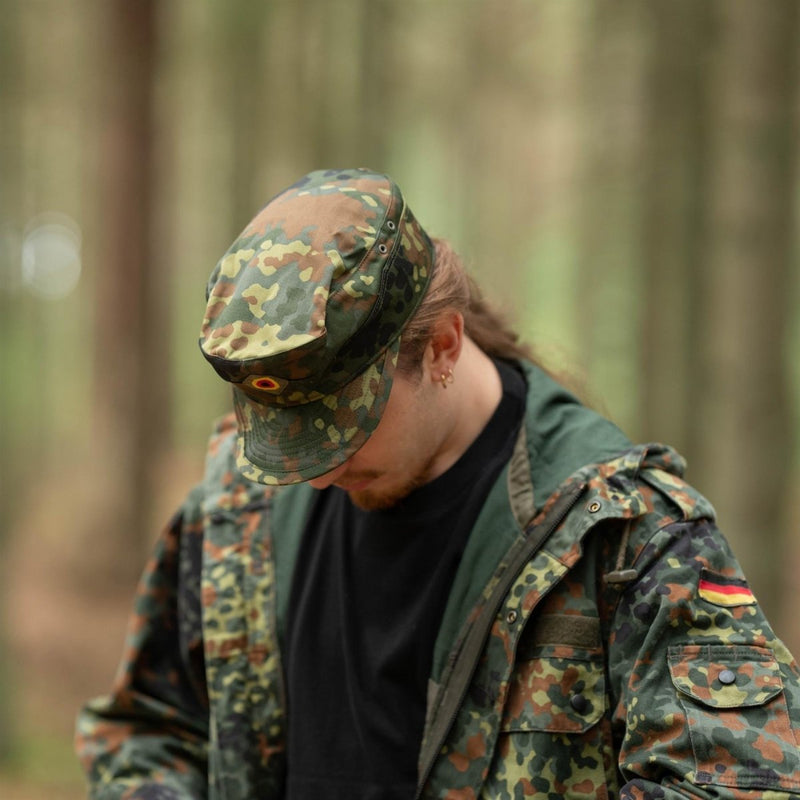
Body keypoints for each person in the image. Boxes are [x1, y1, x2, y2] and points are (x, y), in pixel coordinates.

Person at [76, 168, 800, 799]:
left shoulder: (624, 534)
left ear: (444, 345)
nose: (319, 473)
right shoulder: (236, 511)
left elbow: (742, 780)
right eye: (291, 438)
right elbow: (148, 726)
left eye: (345, 425)